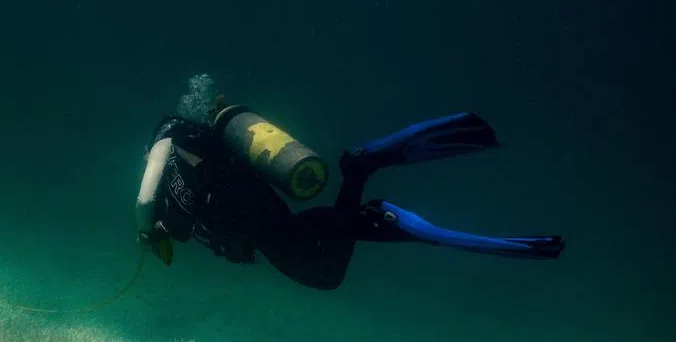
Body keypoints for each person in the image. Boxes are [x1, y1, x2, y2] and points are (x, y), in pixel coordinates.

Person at [134, 95, 564, 291]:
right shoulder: (202, 142)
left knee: (323, 275)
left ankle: (369, 203)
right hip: (253, 202)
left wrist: (144, 232)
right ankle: (359, 176)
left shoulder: (165, 140)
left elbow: (143, 199)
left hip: (241, 211)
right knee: (308, 248)